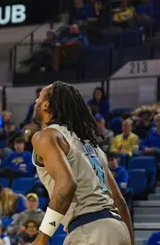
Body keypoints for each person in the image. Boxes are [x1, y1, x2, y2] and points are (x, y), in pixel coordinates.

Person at [30, 81, 133, 245]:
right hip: (117, 229)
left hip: (90, 230)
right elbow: (119, 201)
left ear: (46, 105)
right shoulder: (92, 146)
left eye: (39, 98)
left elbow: (66, 184)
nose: (35, 101)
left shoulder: (46, 136)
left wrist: (41, 239)